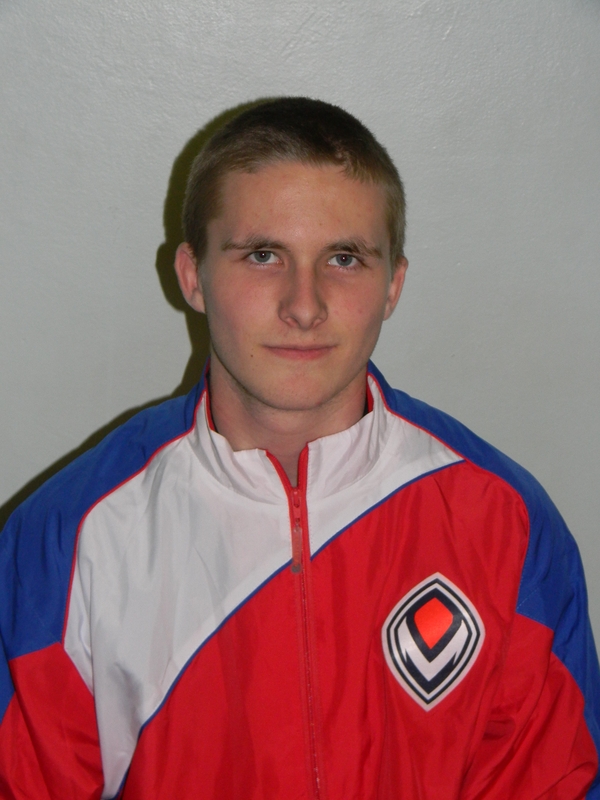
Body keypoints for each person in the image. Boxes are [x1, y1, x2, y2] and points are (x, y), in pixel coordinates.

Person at [0, 97, 599, 799]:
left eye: (344, 259)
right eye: (263, 256)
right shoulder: (65, 541)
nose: (304, 306)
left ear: (393, 285)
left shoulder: (506, 524)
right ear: (192, 276)